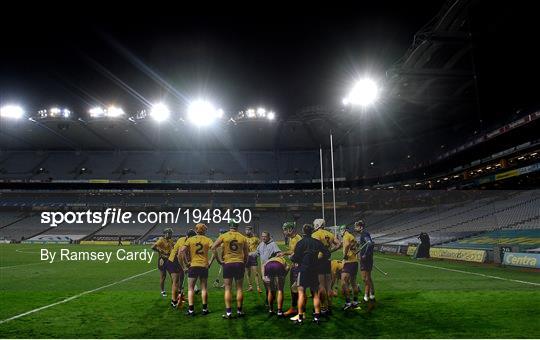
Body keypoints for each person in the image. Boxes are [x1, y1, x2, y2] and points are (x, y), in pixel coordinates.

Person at [290, 224, 331, 324]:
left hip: (303, 270)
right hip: (314, 270)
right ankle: (317, 317)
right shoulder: (316, 242)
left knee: (301, 293)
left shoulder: (300, 243)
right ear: (312, 231)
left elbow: (295, 258)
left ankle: (300, 318)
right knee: (315, 294)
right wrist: (318, 260)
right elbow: (327, 253)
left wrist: (292, 258)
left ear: (303, 231)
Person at [212, 222, 249, 319]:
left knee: (227, 288)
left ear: (229, 226)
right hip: (239, 263)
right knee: (239, 288)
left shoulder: (224, 236)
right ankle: (239, 311)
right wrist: (243, 263)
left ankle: (228, 313)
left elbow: (213, 247)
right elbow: (246, 253)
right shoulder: (242, 237)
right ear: (237, 226)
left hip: (228, 263)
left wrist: (219, 260)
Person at [180, 224, 214, 316]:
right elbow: (214, 250)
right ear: (204, 230)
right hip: (204, 266)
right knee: (204, 288)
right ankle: (204, 309)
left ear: (196, 230)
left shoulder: (190, 239)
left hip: (193, 265)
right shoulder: (208, 240)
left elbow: (182, 251)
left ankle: (191, 310)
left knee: (190, 288)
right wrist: (210, 262)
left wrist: (186, 262)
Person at [311, 218, 341, 316]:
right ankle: (330, 307)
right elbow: (339, 244)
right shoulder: (330, 234)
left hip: (319, 261)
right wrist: (329, 251)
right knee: (328, 286)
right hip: (327, 262)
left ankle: (323, 307)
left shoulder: (315, 234)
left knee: (321, 286)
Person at [250, 231, 282, 307]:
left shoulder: (273, 244)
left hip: (271, 267)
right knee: (266, 284)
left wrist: (274, 258)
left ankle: (269, 300)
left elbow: (279, 253)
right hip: (263, 268)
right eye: (262, 236)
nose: (263, 237)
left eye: (265, 236)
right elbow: (256, 253)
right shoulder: (261, 244)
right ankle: (271, 298)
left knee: (270, 284)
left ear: (268, 237)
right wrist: (248, 254)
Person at [167, 229, 196, 308]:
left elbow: (186, 254)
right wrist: (183, 267)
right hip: (173, 261)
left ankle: (180, 296)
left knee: (180, 280)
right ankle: (174, 301)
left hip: (176, 262)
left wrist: (187, 263)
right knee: (176, 282)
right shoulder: (183, 242)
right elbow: (180, 255)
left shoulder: (184, 240)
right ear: (190, 237)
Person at [281, 221, 303, 317]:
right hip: (295, 266)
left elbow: (297, 254)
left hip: (299, 266)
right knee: (294, 288)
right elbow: (292, 251)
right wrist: (284, 253)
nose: (284, 232)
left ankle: (298, 310)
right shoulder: (292, 238)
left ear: (290, 229)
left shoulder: (297, 239)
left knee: (296, 288)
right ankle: (296, 308)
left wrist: (291, 257)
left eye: (285, 229)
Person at [355, 220, 375, 310]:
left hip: (366, 260)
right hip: (367, 259)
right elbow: (367, 244)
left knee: (365, 278)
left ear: (361, 227)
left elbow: (370, 244)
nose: (355, 228)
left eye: (356, 226)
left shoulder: (364, 234)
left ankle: (366, 297)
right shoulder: (364, 234)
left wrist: (364, 255)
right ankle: (372, 294)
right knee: (368, 277)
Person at [341, 224, 360, 310]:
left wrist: (345, 255)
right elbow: (356, 247)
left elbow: (347, 245)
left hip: (349, 262)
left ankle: (348, 302)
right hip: (355, 262)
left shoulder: (346, 236)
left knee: (344, 281)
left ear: (344, 230)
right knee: (353, 282)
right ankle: (355, 302)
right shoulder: (352, 236)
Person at [151, 228, 175, 297]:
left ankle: (173, 289)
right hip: (162, 260)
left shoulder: (170, 240)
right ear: (166, 233)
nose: (171, 234)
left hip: (170, 260)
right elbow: (152, 247)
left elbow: (174, 247)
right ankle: (162, 291)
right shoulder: (161, 240)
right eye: (170, 233)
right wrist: (160, 251)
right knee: (163, 276)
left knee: (173, 276)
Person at [244, 226, 262, 293]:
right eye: (246, 230)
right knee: (247, 273)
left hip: (253, 257)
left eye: (249, 230)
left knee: (256, 273)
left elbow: (261, 245)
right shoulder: (244, 238)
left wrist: (257, 252)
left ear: (251, 231)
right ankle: (250, 286)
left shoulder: (256, 239)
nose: (247, 231)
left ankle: (258, 287)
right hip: (246, 257)